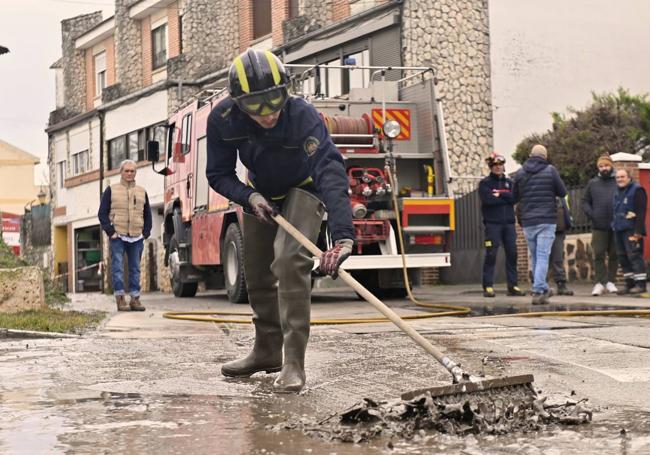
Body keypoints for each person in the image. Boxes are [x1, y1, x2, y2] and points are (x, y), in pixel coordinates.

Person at [205, 49, 354, 393]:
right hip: (259, 193)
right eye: (256, 105)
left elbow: (330, 172)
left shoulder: (303, 116)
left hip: (304, 189)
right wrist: (249, 197)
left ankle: (293, 363)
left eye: (274, 99)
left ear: (286, 90)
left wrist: (343, 236)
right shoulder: (223, 119)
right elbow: (218, 174)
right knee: (256, 271)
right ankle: (267, 350)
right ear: (239, 102)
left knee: (289, 261)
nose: (268, 112)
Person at [513, 144, 567, 305]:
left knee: (536, 255)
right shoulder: (550, 170)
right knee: (543, 255)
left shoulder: (520, 172)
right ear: (545, 156)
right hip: (546, 220)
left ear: (530, 155)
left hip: (528, 221)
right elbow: (562, 192)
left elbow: (514, 197)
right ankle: (537, 290)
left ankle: (542, 288)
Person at [98, 159, 152, 311]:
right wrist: (111, 232)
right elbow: (102, 213)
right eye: (126, 171)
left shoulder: (142, 191)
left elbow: (147, 213)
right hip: (118, 235)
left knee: (135, 268)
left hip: (136, 236)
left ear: (135, 173)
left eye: (132, 171)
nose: (129, 173)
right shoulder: (111, 189)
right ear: (121, 172)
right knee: (118, 268)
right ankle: (120, 299)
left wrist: (146, 231)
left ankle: (135, 299)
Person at [478, 152, 525, 297]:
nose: (498, 168)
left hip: (509, 224)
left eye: (500, 165)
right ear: (491, 167)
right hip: (493, 224)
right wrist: (505, 197)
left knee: (512, 253)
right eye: (495, 166)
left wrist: (500, 194)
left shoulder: (510, 183)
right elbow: (488, 201)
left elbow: (514, 199)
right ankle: (488, 286)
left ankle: (513, 286)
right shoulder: (485, 183)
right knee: (491, 254)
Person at [582, 154, 619, 296]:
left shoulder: (618, 181)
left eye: (606, 165)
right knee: (598, 254)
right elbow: (585, 201)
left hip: (616, 225)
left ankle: (610, 282)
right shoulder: (593, 183)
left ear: (611, 166)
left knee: (615, 254)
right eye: (601, 166)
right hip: (599, 225)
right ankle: (600, 282)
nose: (604, 168)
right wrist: (592, 215)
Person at [612, 168, 647, 294]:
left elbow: (641, 211)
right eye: (618, 177)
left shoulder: (637, 190)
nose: (620, 179)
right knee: (623, 257)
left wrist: (639, 230)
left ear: (629, 177)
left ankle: (641, 284)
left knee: (635, 255)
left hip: (632, 230)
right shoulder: (617, 192)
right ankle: (630, 284)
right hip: (619, 229)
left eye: (622, 177)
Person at [548, 196, 574, 295]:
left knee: (558, 258)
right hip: (544, 226)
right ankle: (538, 285)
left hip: (559, 228)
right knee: (541, 258)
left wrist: (568, 223)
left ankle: (561, 284)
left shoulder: (561, 191)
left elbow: (566, 208)